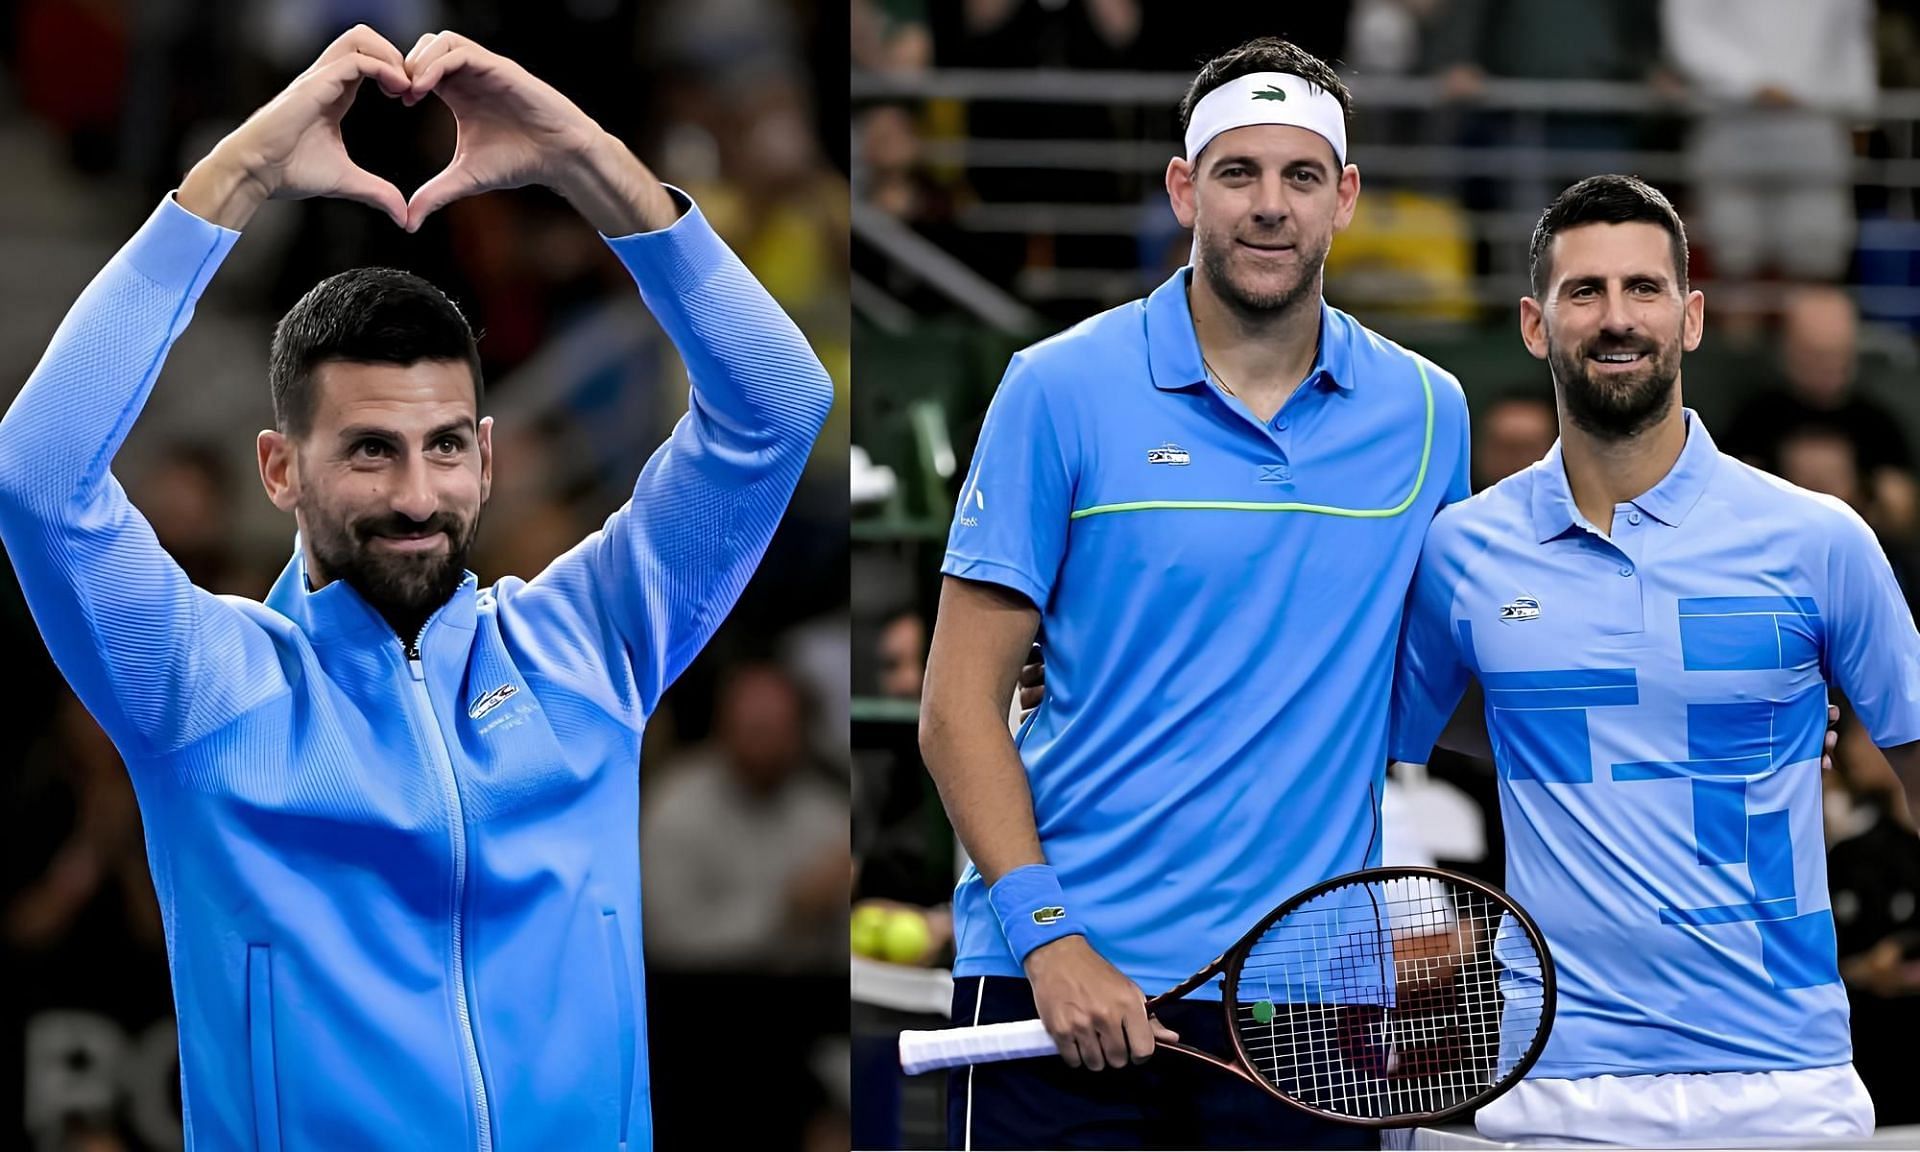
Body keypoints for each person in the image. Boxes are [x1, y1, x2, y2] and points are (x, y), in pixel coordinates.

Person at [0, 25, 831, 1150]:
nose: (416, 493)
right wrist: (237, 177)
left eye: (445, 447)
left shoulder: (588, 645)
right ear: (280, 469)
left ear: (489, 456)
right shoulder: (203, 688)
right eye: (369, 451)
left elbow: (778, 405)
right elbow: (38, 478)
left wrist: (584, 160)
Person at [918, 36, 1473, 1150]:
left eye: (1301, 176)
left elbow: (1438, 695)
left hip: (1304, 1009)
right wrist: (1051, 939)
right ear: (1184, 189)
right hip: (1058, 983)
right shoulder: (1056, 387)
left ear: (1345, 198)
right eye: (1237, 173)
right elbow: (955, 708)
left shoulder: (1427, 415)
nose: (1269, 207)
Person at [1389, 174, 1920, 1145]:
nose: (1616, 317)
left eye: (1644, 288)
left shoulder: (1820, 539)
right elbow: (1389, 741)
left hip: (1785, 1085)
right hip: (1552, 1085)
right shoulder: (1460, 552)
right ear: (1534, 324)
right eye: (1584, 291)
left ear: (1693, 316)